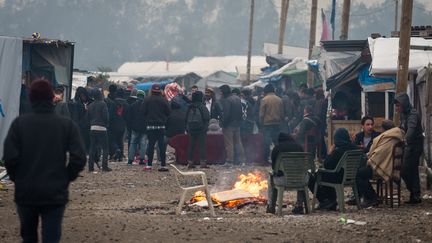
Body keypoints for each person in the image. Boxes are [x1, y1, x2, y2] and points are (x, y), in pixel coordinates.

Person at [3, 79, 86, 243]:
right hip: (55, 192)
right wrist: (66, 177)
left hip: (26, 192)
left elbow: (10, 158)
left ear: (31, 98)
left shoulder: (19, 124)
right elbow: (79, 157)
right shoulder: (66, 125)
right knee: (52, 237)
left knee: (28, 237)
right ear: (51, 98)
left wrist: (18, 178)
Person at [354, 120, 404, 207]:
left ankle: (371, 198)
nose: (370, 127)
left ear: (383, 129)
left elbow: (378, 154)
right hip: (390, 165)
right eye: (367, 124)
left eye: (371, 124)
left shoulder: (387, 138)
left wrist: (369, 159)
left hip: (385, 167)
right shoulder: (397, 137)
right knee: (361, 170)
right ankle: (365, 197)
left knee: (358, 173)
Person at [309, 128, 358, 210]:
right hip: (351, 176)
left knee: (314, 176)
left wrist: (330, 152)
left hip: (338, 177)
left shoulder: (338, 150)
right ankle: (330, 201)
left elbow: (327, 165)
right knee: (328, 174)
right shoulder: (354, 148)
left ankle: (326, 201)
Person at [394, 93, 424, 204]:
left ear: (404, 104)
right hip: (408, 145)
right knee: (412, 170)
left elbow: (411, 129)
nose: (397, 108)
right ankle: (415, 195)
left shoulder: (413, 114)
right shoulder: (403, 114)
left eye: (398, 105)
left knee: (405, 170)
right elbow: (402, 127)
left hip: (414, 145)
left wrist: (404, 139)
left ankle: (415, 193)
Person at [266, 133, 304, 214]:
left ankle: (271, 206)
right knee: (302, 174)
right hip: (300, 180)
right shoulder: (299, 147)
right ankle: (299, 205)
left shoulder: (277, 148)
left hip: (283, 180)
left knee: (270, 177)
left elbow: (274, 168)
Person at [142, 84, 171, 171]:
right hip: (161, 126)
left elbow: (143, 111)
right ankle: (162, 165)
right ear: (160, 91)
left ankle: (149, 165)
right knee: (161, 146)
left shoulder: (147, 99)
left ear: (152, 90)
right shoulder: (163, 100)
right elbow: (169, 112)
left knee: (151, 145)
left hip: (150, 126)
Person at [219, 84, 245, 164]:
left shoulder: (228, 100)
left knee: (229, 143)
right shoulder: (237, 98)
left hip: (229, 125)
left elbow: (226, 114)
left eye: (221, 92)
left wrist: (223, 124)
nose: (220, 94)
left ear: (224, 92)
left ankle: (230, 160)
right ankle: (241, 160)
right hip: (237, 124)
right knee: (238, 142)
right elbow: (241, 112)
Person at [87, 89, 111, 172]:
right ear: (100, 95)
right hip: (102, 128)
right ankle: (104, 166)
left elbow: (87, 117)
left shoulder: (90, 105)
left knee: (92, 148)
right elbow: (106, 117)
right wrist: (106, 123)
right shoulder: (103, 104)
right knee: (105, 148)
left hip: (92, 128)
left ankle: (90, 167)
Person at [259, 84, 284, 162]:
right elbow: (282, 113)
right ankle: (278, 158)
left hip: (267, 125)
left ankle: (265, 159)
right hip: (277, 124)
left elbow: (261, 114)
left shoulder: (264, 100)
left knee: (266, 143)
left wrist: (261, 124)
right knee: (276, 142)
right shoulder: (279, 99)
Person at [186, 91, 210, 168]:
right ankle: (203, 163)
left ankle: (190, 162)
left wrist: (187, 128)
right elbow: (207, 117)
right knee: (202, 146)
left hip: (191, 129)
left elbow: (186, 118)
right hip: (201, 130)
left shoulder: (189, 106)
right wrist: (205, 127)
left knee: (191, 146)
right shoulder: (202, 106)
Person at [127, 90, 147, 166]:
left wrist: (130, 127)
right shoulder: (146, 105)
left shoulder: (132, 105)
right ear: (144, 96)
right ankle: (141, 159)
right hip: (144, 128)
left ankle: (130, 160)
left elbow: (129, 118)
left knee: (133, 143)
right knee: (143, 143)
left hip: (134, 128)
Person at [71, 86, 92, 153]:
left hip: (89, 125)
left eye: (84, 96)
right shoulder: (77, 104)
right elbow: (76, 116)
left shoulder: (90, 102)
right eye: (81, 96)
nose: (83, 97)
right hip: (81, 125)